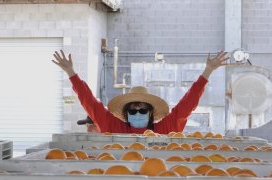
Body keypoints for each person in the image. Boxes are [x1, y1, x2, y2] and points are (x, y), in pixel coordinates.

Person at [52, 50, 230, 133]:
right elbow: (90, 102)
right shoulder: (113, 127)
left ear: (151, 113)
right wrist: (71, 73)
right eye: (133, 110)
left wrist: (207, 71)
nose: (138, 113)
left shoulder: (165, 129)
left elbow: (187, 104)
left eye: (143, 110)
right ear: (126, 113)